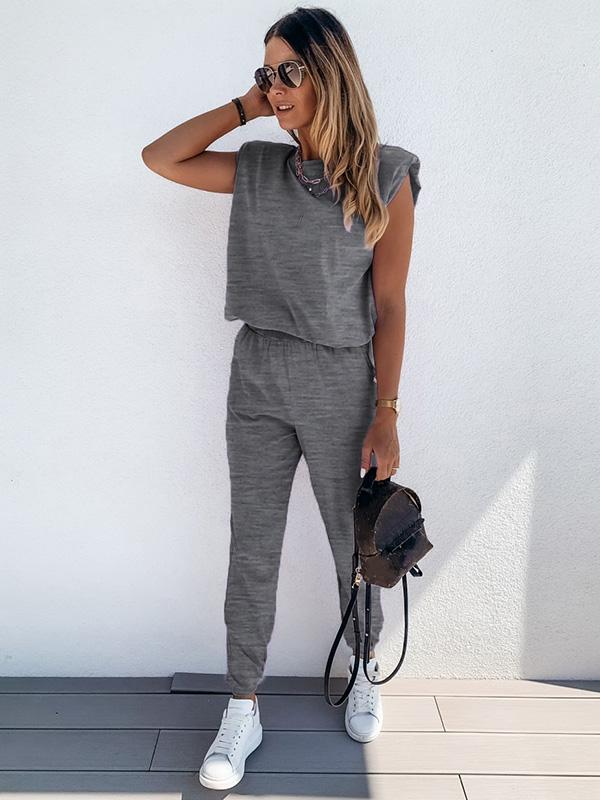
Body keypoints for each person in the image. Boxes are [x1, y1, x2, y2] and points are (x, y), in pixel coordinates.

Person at [141, 6, 421, 791]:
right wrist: (246, 106)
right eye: (267, 73)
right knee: (252, 545)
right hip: (258, 371)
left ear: (331, 72)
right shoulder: (260, 168)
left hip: (341, 379)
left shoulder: (387, 175)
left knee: (352, 543)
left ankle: (364, 666)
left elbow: (390, 304)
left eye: (289, 70)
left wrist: (388, 411)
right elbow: (161, 157)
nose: (276, 85)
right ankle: (244, 703)